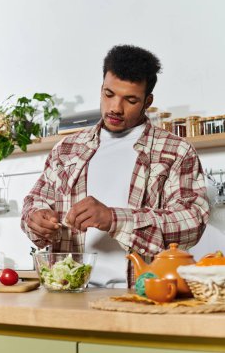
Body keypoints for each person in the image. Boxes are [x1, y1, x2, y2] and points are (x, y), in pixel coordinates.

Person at [21, 45, 210, 287]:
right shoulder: (67, 149)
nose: (115, 108)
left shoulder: (176, 151)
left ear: (147, 101)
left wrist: (113, 219)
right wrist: (35, 219)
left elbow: (192, 222)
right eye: (108, 94)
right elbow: (35, 202)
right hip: (71, 292)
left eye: (130, 100)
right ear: (101, 89)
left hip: (142, 295)